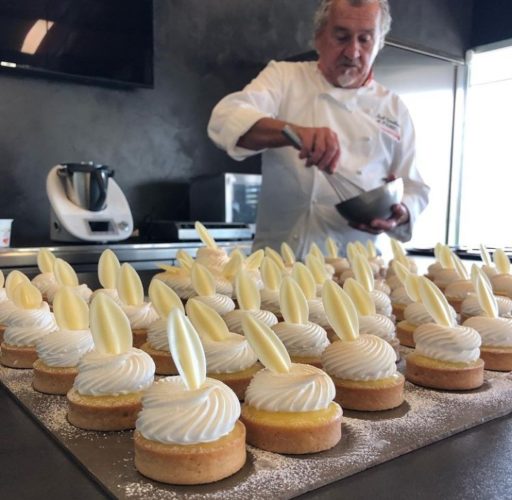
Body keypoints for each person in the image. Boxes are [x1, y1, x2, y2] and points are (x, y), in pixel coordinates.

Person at [208, 0, 430, 260]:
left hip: (358, 269)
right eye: (341, 37)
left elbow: (415, 188)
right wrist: (292, 133)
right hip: (280, 264)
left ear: (379, 43)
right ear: (319, 38)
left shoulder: (394, 108)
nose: (353, 52)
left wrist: (402, 212)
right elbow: (225, 118)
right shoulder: (284, 77)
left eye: (365, 39)